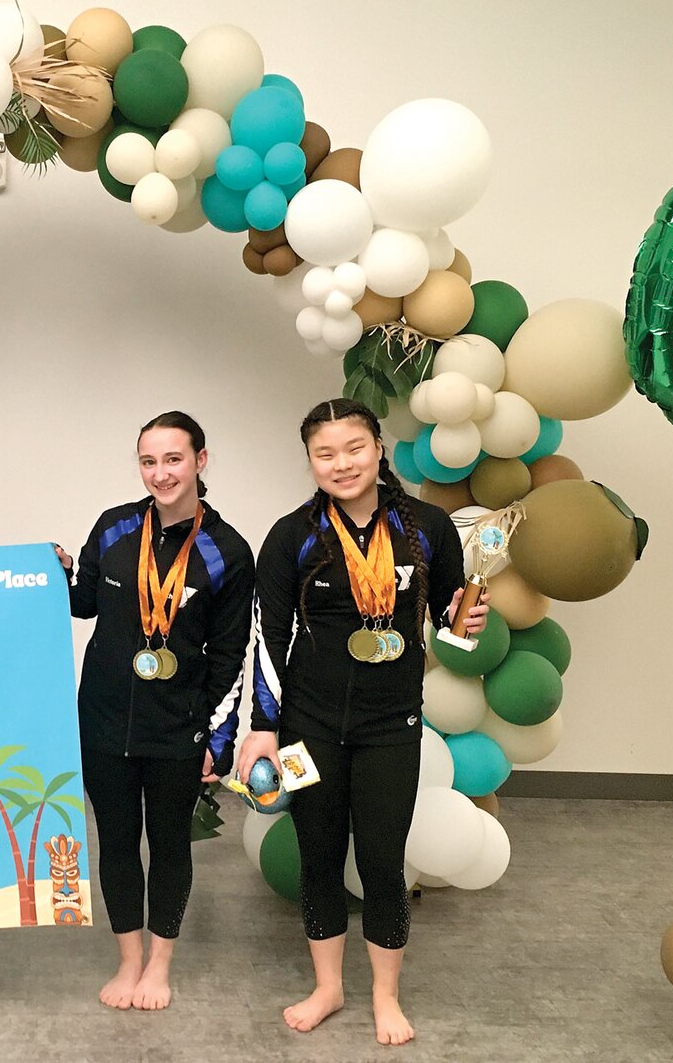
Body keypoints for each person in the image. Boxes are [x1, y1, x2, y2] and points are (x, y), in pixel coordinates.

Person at [236, 397, 487, 1043]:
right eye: (325, 453)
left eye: (353, 447)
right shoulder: (293, 534)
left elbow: (449, 628)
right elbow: (267, 635)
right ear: (311, 462)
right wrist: (263, 726)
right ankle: (327, 987)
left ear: (377, 447)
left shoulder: (427, 525)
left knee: (382, 861)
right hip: (306, 729)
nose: (341, 463)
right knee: (318, 859)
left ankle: (384, 994)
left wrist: (465, 627)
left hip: (391, 726)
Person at [55, 411, 254, 1011]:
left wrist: (216, 740)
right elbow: (82, 603)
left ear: (201, 460)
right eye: (148, 461)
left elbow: (229, 653)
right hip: (105, 720)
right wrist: (56, 572)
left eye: (173, 459)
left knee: (170, 845)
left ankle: (160, 964)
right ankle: (129, 961)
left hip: (177, 729)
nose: (160, 473)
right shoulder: (114, 528)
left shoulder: (227, 551)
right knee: (115, 843)